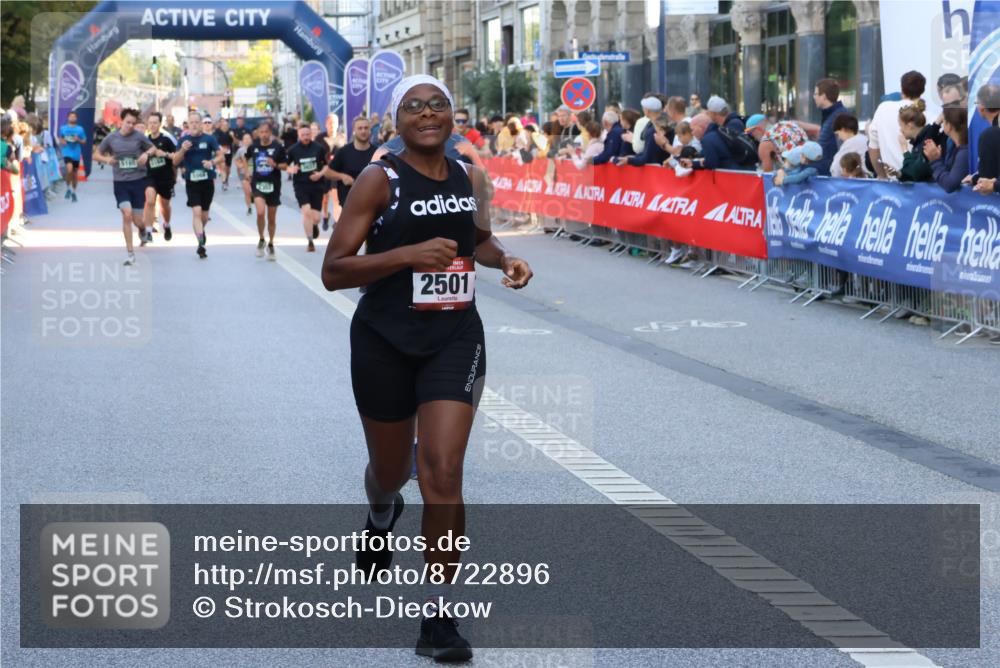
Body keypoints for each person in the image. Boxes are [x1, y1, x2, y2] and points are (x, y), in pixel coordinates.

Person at [320, 74, 533, 663]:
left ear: (452, 113)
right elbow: (334, 269)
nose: (427, 113)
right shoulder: (377, 178)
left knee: (442, 470)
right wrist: (408, 255)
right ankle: (380, 511)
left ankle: (439, 615)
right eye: (413, 107)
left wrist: (505, 259)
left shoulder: (471, 174)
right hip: (385, 338)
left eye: (437, 103)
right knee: (390, 472)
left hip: (454, 336)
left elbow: (479, 241)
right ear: (398, 121)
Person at [93, 107, 156, 266]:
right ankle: (130, 253)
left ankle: (142, 230)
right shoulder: (111, 138)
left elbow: (152, 148)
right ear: (121, 121)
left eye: (133, 124)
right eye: (128, 122)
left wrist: (146, 154)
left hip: (138, 181)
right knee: (126, 214)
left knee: (138, 220)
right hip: (120, 183)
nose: (130, 126)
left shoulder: (139, 136)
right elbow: (96, 154)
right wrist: (107, 160)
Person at [173, 111, 224, 259]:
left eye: (197, 122)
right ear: (188, 124)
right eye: (192, 122)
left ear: (201, 124)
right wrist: (183, 149)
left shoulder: (209, 139)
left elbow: (221, 155)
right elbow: (175, 162)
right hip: (192, 181)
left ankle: (200, 231)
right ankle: (201, 242)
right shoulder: (183, 140)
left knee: (204, 214)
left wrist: (211, 162)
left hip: (207, 180)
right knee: (196, 211)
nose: (194, 124)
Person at [868, 71, 925, 179]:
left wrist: (882, 175)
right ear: (922, 90)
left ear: (902, 88)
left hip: (893, 183)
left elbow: (873, 148)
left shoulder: (883, 109)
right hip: (920, 185)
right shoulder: (930, 115)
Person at [246, 120, 287, 260]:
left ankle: (270, 243)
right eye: (261, 132)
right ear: (258, 133)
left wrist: (274, 164)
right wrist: (247, 171)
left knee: (271, 218)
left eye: (266, 132)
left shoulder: (278, 147)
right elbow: (242, 158)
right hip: (258, 184)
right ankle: (261, 238)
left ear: (270, 133)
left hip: (273, 185)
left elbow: (285, 166)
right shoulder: (254, 147)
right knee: (260, 212)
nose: (263, 135)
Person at [285, 123, 329, 251]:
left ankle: (314, 226)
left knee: (316, 217)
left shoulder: (319, 148)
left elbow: (326, 165)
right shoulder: (293, 149)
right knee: (306, 212)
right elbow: (284, 165)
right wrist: (291, 169)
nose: (305, 137)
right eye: (303, 134)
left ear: (311, 134)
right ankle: (310, 241)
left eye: (307, 134)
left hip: (317, 185)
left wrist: (320, 174)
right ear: (299, 135)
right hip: (301, 185)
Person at [323, 115, 377, 215]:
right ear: (354, 130)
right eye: (360, 128)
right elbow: (327, 172)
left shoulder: (377, 153)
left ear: (370, 130)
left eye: (366, 128)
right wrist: (342, 176)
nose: (363, 131)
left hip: (371, 202)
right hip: (349, 203)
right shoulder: (344, 152)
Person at [143, 112, 177, 241]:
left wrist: (165, 154)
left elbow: (176, 156)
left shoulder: (166, 139)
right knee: (150, 201)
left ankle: (167, 224)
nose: (152, 125)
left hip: (165, 177)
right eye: (150, 122)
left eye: (155, 123)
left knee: (165, 205)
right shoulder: (145, 141)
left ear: (159, 124)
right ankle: (148, 231)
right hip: (150, 176)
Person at [924, 104, 968, 193]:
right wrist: (938, 159)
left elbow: (950, 184)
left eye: (943, 121)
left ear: (949, 125)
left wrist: (935, 160)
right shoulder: (957, 149)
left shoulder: (964, 152)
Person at [812, 78, 850, 176]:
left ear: (823, 96)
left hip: (832, 173)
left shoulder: (839, 115)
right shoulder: (832, 114)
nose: (814, 97)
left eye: (816, 94)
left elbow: (843, 147)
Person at [617, 96, 669, 166]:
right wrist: (633, 157)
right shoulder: (658, 124)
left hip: (655, 170)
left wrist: (629, 160)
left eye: (643, 108)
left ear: (647, 111)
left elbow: (646, 157)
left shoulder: (653, 129)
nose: (643, 110)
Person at [896, 104, 939, 182]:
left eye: (901, 126)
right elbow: (911, 171)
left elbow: (914, 172)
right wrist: (898, 173)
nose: (900, 130)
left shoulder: (927, 141)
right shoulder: (917, 142)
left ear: (909, 125)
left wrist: (904, 149)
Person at [972, 83, 1000, 196]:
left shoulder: (990, 135)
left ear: (981, 108)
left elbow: (987, 177)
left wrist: (994, 185)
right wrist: (975, 178)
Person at [58, 111, 87, 202]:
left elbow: (84, 141)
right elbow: (60, 138)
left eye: (74, 117)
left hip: (76, 152)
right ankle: (68, 188)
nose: (72, 118)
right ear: (68, 118)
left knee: (75, 174)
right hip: (67, 151)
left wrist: (78, 139)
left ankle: (73, 192)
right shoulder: (63, 128)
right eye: (71, 117)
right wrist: (62, 141)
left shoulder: (80, 129)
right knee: (69, 169)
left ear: (76, 118)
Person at [213, 117, 236, 191]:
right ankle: (223, 182)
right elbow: (214, 142)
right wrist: (220, 148)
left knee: (227, 169)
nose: (225, 127)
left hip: (229, 152)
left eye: (226, 125)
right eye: (223, 125)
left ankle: (226, 180)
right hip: (220, 152)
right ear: (221, 125)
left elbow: (235, 143)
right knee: (223, 167)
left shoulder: (231, 132)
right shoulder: (217, 132)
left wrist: (233, 136)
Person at [233, 133, 254, 214]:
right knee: (247, 191)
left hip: (254, 173)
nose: (247, 140)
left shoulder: (255, 149)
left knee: (253, 191)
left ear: (251, 140)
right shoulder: (240, 150)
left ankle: (253, 198)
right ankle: (249, 207)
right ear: (243, 141)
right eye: (245, 138)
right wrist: (240, 165)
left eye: (249, 138)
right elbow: (236, 160)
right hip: (244, 173)